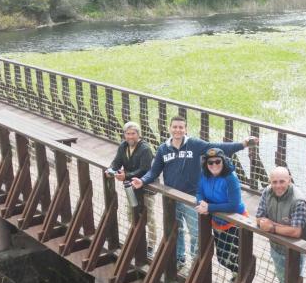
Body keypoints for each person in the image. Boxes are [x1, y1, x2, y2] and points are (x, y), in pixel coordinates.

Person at [131, 115, 257, 265]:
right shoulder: (163, 149)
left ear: (186, 129)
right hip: (171, 198)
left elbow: (217, 147)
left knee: (196, 232)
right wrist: (143, 180)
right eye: (175, 127)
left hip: (192, 198)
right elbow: (154, 171)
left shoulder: (194, 144)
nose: (178, 130)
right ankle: (179, 259)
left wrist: (243, 144)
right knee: (175, 230)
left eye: (181, 127)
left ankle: (196, 262)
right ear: (170, 128)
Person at [195, 148, 246, 274]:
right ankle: (236, 277)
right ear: (206, 164)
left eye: (218, 161)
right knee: (222, 258)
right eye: (210, 162)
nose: (214, 165)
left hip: (234, 223)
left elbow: (233, 205)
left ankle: (238, 280)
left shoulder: (230, 178)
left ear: (223, 161)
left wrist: (209, 208)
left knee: (235, 258)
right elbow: (199, 191)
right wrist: (201, 201)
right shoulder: (204, 174)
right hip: (217, 221)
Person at [256, 166, 306, 283]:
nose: (278, 186)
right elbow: (259, 218)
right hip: (275, 248)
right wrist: (283, 228)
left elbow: (296, 231)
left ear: (289, 180)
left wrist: (272, 227)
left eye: (282, 181)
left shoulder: (298, 200)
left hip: (295, 253)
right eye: (274, 182)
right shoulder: (267, 192)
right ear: (270, 181)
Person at [108, 121, 156, 249]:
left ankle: (151, 245)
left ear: (138, 135)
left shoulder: (145, 149)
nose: (130, 137)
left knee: (148, 216)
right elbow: (117, 161)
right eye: (127, 134)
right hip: (131, 188)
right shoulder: (123, 146)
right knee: (131, 213)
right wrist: (111, 169)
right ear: (124, 135)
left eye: (133, 134)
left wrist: (126, 176)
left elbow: (144, 169)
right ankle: (136, 238)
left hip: (146, 188)